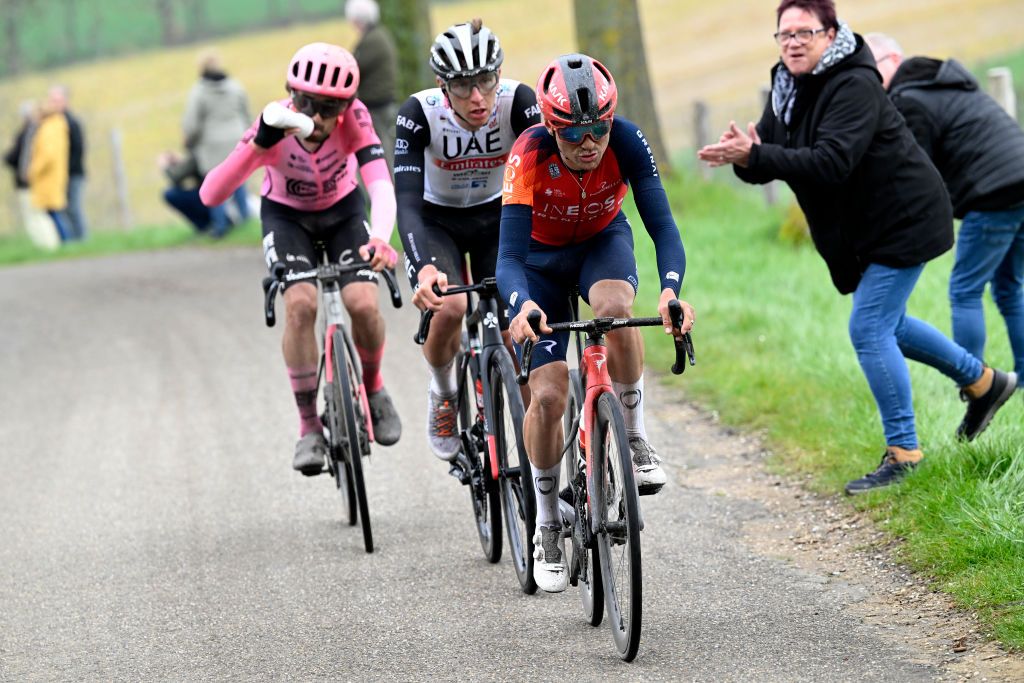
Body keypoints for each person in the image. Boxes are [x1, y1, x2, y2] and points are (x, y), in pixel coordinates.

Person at [696, 0, 1017, 496]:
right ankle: (985, 383)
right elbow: (775, 156)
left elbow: (830, 161)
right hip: (866, 228)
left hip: (903, 219)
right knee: (893, 325)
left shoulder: (854, 83)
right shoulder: (788, 85)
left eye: (805, 32)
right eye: (784, 35)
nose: (793, 42)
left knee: (869, 327)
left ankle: (905, 452)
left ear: (830, 34)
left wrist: (759, 153)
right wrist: (743, 157)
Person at [498, 54, 695, 592]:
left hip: (601, 244)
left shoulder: (628, 140)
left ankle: (633, 437)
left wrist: (672, 289)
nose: (590, 143)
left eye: (599, 129)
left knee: (614, 307)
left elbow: (662, 226)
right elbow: (507, 257)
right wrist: (521, 307)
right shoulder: (529, 153)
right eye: (575, 133)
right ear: (550, 126)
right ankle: (546, 521)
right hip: (536, 264)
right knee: (550, 395)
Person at [200, 42, 402, 473]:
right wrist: (256, 148)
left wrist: (382, 237)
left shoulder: (356, 120)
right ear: (291, 97)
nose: (314, 118)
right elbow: (211, 194)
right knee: (301, 305)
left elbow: (380, 184)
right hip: (287, 217)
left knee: (364, 302)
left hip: (343, 210)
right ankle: (309, 425)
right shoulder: (272, 124)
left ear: (345, 109)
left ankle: (374, 386)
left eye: (328, 108)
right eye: (305, 103)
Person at [397, 19, 540, 463]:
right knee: (451, 305)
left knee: (519, 304)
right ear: (443, 86)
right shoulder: (419, 113)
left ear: (499, 72)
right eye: (462, 87)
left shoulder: (518, 101)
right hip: (436, 220)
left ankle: (532, 413)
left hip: (499, 215)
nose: (477, 97)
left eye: (486, 80)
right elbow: (406, 203)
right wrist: (423, 267)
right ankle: (443, 393)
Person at [866, 33, 1024, 381]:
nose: (869, 78)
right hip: (1019, 181)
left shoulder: (908, 100)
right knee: (1010, 287)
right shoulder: (943, 83)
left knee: (965, 290)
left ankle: (976, 385)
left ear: (893, 58)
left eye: (871, 66)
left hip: (993, 193)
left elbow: (916, 171)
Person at [184, 50, 252, 238]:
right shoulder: (235, 86)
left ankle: (220, 226)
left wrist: (189, 141)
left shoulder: (198, 91)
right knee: (238, 181)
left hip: (211, 144)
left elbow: (192, 124)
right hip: (237, 139)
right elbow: (246, 113)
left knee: (216, 185)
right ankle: (246, 221)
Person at [345, 0, 398, 172]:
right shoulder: (379, 35)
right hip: (384, 103)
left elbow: (353, 69)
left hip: (376, 106)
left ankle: (387, 189)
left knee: (380, 151)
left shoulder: (371, 42)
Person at [4, 101, 58, 250]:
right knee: (37, 214)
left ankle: (48, 247)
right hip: (33, 179)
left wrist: (30, 172)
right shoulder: (35, 131)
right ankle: (48, 246)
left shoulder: (31, 132)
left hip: (30, 180)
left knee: (35, 215)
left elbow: (24, 156)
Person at [27, 94, 71, 243]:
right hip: (52, 176)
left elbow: (48, 155)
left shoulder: (48, 129)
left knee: (54, 212)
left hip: (47, 178)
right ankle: (65, 242)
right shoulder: (56, 126)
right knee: (54, 211)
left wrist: (33, 170)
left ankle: (66, 242)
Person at [47, 86, 87, 241]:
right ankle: (71, 242)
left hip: (73, 174)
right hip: (58, 176)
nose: (54, 104)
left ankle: (82, 240)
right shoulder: (52, 124)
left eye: (57, 100)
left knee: (73, 208)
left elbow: (78, 150)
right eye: (52, 100)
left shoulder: (71, 123)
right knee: (62, 209)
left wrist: (66, 170)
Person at [158, 149, 216, 233]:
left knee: (171, 194)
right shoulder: (197, 151)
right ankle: (205, 226)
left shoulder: (198, 151)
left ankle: (204, 225)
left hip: (210, 197)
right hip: (209, 195)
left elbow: (175, 176)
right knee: (173, 193)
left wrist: (165, 167)